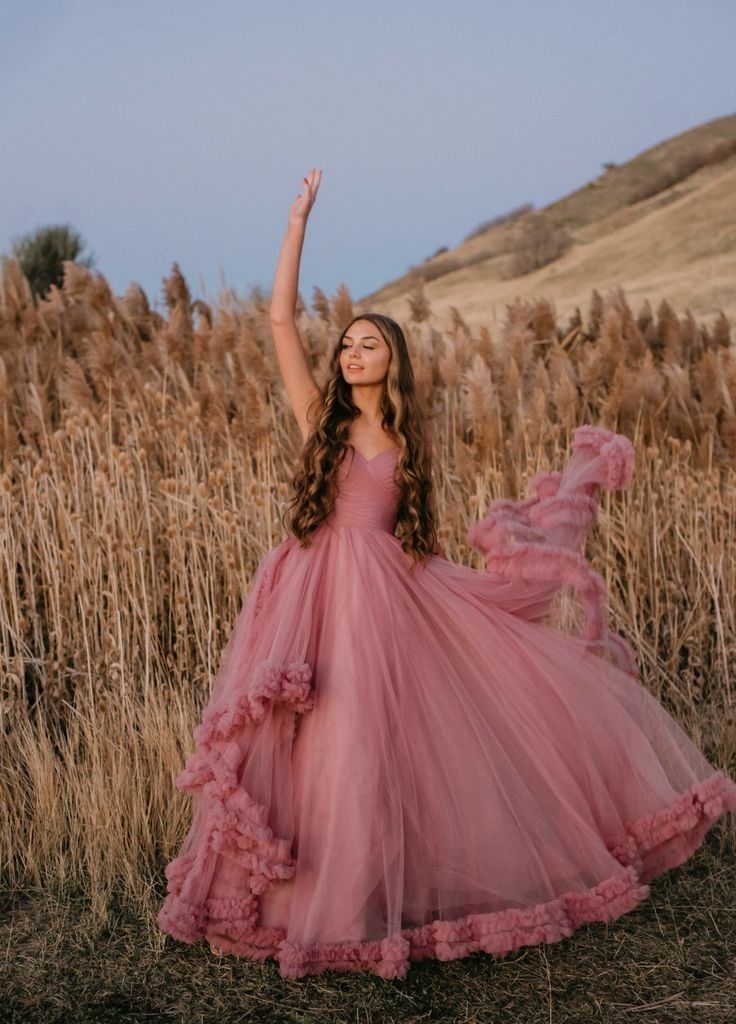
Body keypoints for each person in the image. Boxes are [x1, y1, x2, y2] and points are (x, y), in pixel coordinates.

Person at [157, 168, 736, 980]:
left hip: (384, 596)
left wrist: (473, 598)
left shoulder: (405, 441)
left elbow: (411, 535)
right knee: (311, 740)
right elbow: (280, 320)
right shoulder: (317, 420)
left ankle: (368, 898)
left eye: (370, 343)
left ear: (392, 361)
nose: (354, 352)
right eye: (349, 343)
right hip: (309, 590)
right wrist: (296, 225)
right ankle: (309, 901)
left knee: (370, 741)